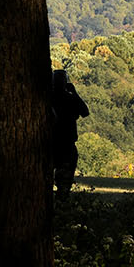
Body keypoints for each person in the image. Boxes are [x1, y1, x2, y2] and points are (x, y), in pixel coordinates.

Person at [50, 67, 90, 201]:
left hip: (52, 144)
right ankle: (62, 202)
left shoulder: (50, 99)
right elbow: (85, 112)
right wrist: (74, 93)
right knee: (65, 183)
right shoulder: (70, 99)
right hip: (66, 145)